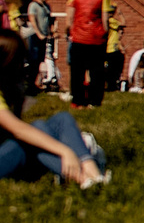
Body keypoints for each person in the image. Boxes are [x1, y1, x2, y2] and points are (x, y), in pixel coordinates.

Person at [0, 33, 105, 185]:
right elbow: (18, 130)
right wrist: (64, 150)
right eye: (20, 59)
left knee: (61, 119)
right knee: (35, 132)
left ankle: (92, 172)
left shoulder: (8, 88)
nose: (24, 64)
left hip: (8, 153)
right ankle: (82, 179)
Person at [66, 0, 110, 107]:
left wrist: (70, 31)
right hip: (96, 39)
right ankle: (95, 101)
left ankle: (77, 101)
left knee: (77, 72)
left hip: (79, 37)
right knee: (97, 72)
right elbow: (105, 21)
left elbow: (69, 19)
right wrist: (105, 34)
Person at [24, 0, 56, 90]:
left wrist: (50, 32)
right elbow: (32, 19)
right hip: (34, 35)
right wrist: (38, 34)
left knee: (39, 61)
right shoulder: (33, 5)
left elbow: (49, 20)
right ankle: (28, 82)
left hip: (44, 36)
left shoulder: (47, 6)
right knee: (33, 59)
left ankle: (33, 83)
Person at [101, 0, 125, 97]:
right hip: (111, 48)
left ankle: (109, 85)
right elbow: (123, 23)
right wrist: (120, 14)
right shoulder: (112, 21)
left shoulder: (106, 21)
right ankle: (111, 86)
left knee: (109, 68)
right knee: (112, 69)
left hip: (109, 47)